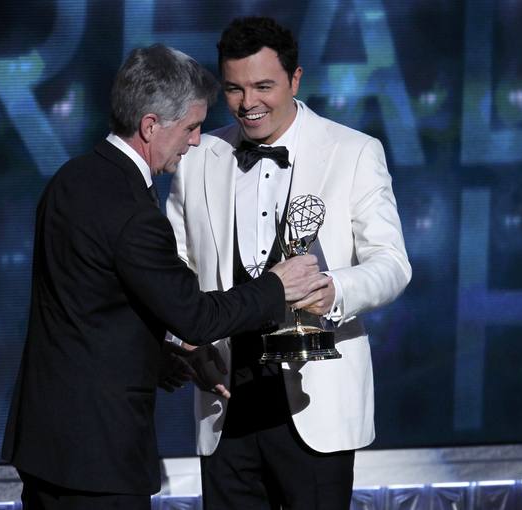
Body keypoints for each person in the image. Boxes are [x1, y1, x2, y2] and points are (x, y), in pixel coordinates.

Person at [1, 44, 326, 510]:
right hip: (99, 456)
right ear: (151, 125)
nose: (195, 141)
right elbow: (196, 317)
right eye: (191, 127)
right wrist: (278, 285)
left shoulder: (70, 179)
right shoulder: (134, 211)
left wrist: (155, 355)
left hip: (45, 443)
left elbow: (86, 306)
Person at [166, 17, 412, 509]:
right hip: (225, 400)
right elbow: (174, 265)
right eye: (234, 89)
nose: (248, 103)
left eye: (263, 86)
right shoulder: (198, 156)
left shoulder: (353, 151)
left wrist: (335, 290)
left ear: (295, 79)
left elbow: (391, 263)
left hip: (317, 404)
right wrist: (183, 340)